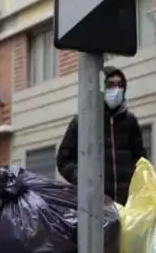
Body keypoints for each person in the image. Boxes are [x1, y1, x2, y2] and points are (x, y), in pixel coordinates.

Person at [56, 66, 147, 205]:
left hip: (128, 203)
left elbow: (141, 159)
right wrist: (81, 177)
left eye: (120, 85)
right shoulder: (82, 122)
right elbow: (64, 159)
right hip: (95, 205)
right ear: (101, 88)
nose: (116, 89)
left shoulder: (130, 121)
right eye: (110, 84)